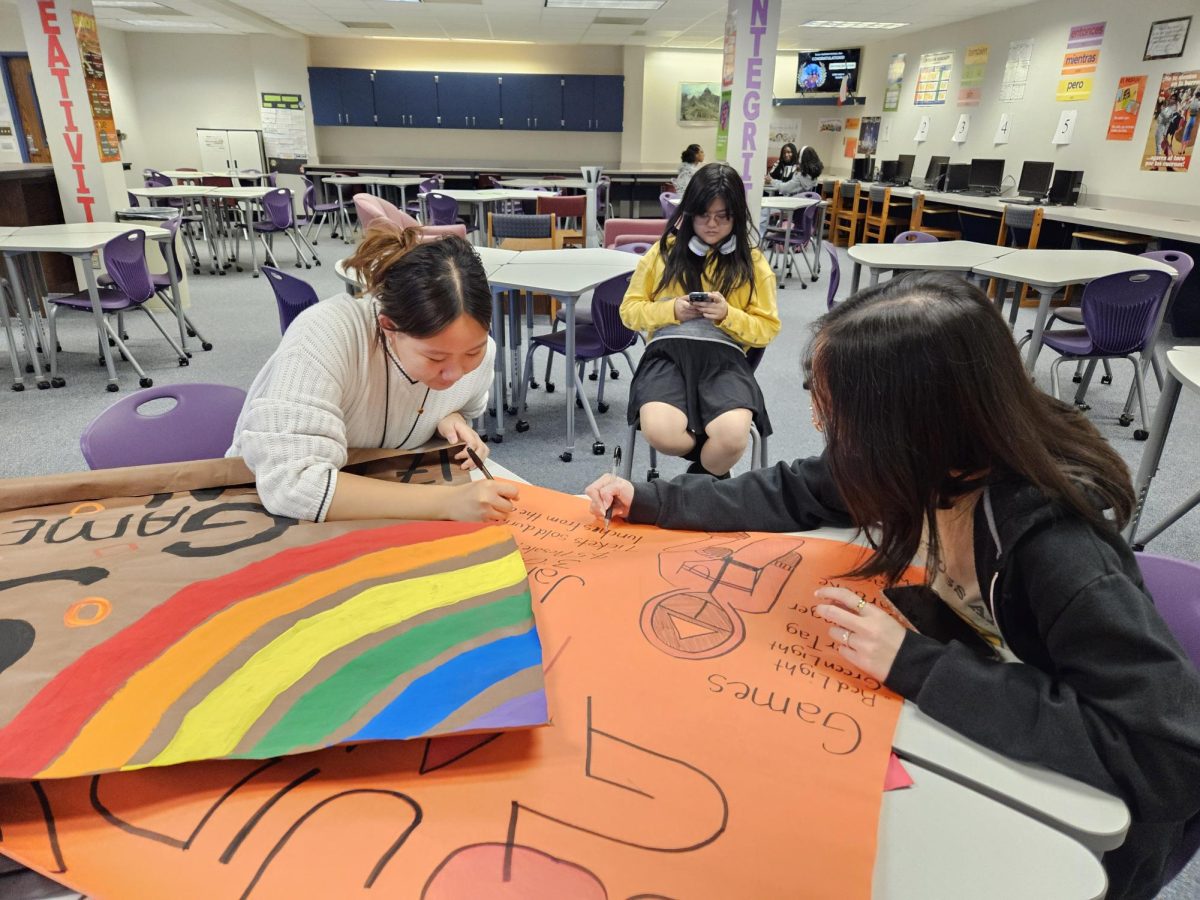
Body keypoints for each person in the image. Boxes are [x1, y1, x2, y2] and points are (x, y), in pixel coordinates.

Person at [588, 271, 1200, 900]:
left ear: (910, 424)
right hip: (979, 723)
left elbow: (1167, 759)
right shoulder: (924, 459)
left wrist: (917, 664)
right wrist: (653, 499)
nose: (818, 421)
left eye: (837, 412)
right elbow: (795, 490)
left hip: (1077, 829)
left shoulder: (1056, 550)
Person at [228, 225, 519, 523]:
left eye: (473, 352)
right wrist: (448, 502)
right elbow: (292, 483)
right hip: (272, 513)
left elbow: (458, 404)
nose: (454, 374)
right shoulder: (326, 334)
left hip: (389, 500)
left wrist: (448, 417)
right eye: (435, 357)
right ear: (388, 327)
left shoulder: (483, 355)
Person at [621, 163, 780, 478]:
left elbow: (767, 329)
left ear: (737, 217)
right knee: (660, 433)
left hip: (724, 358)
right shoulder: (663, 254)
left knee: (733, 438)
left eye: (722, 216)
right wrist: (672, 311)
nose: (711, 225)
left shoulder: (754, 263)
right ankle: (710, 470)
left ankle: (698, 477)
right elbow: (629, 311)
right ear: (689, 213)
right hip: (666, 355)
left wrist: (727, 315)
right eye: (703, 215)